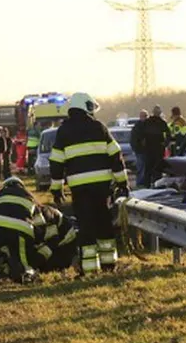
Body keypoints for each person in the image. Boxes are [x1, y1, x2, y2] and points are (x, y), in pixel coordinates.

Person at [50, 92, 129, 274]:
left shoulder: (64, 131)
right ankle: (109, 265)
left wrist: (57, 189)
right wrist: (122, 182)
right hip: (102, 188)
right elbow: (115, 156)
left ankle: (89, 268)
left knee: (85, 227)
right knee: (104, 224)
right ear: (87, 107)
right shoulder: (99, 127)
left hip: (79, 189)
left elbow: (56, 162)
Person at [32, 204, 80, 273]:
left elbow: (52, 242)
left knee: (46, 267)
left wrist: (35, 263)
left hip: (66, 244)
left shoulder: (44, 216)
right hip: (55, 241)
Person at [139, 106, 170, 187]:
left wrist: (143, 145)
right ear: (160, 113)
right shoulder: (162, 122)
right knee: (158, 168)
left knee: (148, 168)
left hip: (149, 149)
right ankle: (157, 184)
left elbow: (141, 135)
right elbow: (168, 134)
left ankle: (147, 185)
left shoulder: (147, 122)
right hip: (158, 148)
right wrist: (165, 143)